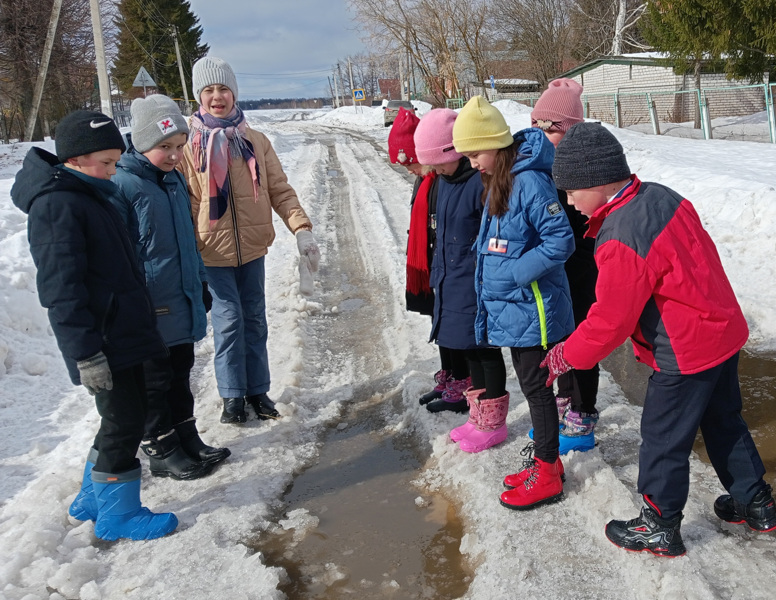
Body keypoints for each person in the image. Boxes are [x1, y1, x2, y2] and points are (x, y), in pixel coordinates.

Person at [542, 121, 776, 556]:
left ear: (596, 179)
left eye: (572, 189)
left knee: (663, 438)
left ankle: (659, 523)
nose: (568, 200)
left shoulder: (621, 234)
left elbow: (611, 320)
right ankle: (755, 501)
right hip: (720, 333)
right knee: (724, 421)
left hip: (685, 350)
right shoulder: (661, 196)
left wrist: (567, 355)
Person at [11, 110, 177, 541]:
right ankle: (118, 514)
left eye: (115, 161)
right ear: (75, 158)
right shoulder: (57, 206)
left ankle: (92, 494)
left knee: (121, 416)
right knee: (125, 420)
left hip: (123, 330)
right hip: (102, 341)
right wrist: (85, 354)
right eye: (105, 161)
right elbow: (61, 290)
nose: (113, 170)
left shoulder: (89, 192)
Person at [180, 56, 319, 424]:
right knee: (228, 322)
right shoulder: (188, 148)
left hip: (253, 250)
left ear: (234, 93)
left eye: (223, 89)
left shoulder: (255, 141)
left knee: (255, 320)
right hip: (212, 253)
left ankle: (258, 391)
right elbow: (188, 203)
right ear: (198, 97)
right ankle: (231, 396)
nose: (216, 97)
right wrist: (191, 251)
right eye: (208, 90)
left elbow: (279, 190)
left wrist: (300, 228)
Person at [451, 96, 575, 507]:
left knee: (538, 392)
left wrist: (517, 273)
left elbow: (561, 240)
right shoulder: (501, 180)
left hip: (534, 310)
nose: (472, 163)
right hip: (516, 308)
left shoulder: (531, 182)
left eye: (475, 153)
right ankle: (547, 464)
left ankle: (547, 473)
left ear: (496, 144)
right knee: (532, 387)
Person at [111, 94, 231, 480]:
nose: (174, 155)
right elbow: (121, 252)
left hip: (179, 296)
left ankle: (186, 435)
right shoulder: (124, 185)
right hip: (150, 304)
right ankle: (161, 447)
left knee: (181, 371)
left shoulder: (174, 181)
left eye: (179, 147)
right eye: (165, 147)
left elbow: (187, 239)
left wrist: (200, 281)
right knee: (155, 379)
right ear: (142, 143)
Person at [530, 79, 600, 454]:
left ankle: (584, 408)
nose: (540, 133)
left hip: (583, 268)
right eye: (536, 124)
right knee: (559, 336)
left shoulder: (581, 166)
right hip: (557, 270)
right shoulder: (545, 166)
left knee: (582, 340)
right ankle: (564, 396)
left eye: (549, 127)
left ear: (570, 129)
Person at [413, 109, 477, 418]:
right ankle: (452, 378)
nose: (432, 171)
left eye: (436, 163)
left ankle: (467, 391)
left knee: (469, 341)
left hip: (468, 272)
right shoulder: (446, 180)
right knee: (447, 329)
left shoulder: (474, 181)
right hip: (447, 267)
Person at [387, 107, 447, 404]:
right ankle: (449, 373)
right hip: (433, 262)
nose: (409, 170)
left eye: (410, 163)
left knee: (450, 324)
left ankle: (461, 378)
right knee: (439, 321)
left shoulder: (440, 180)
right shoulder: (424, 180)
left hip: (446, 263)